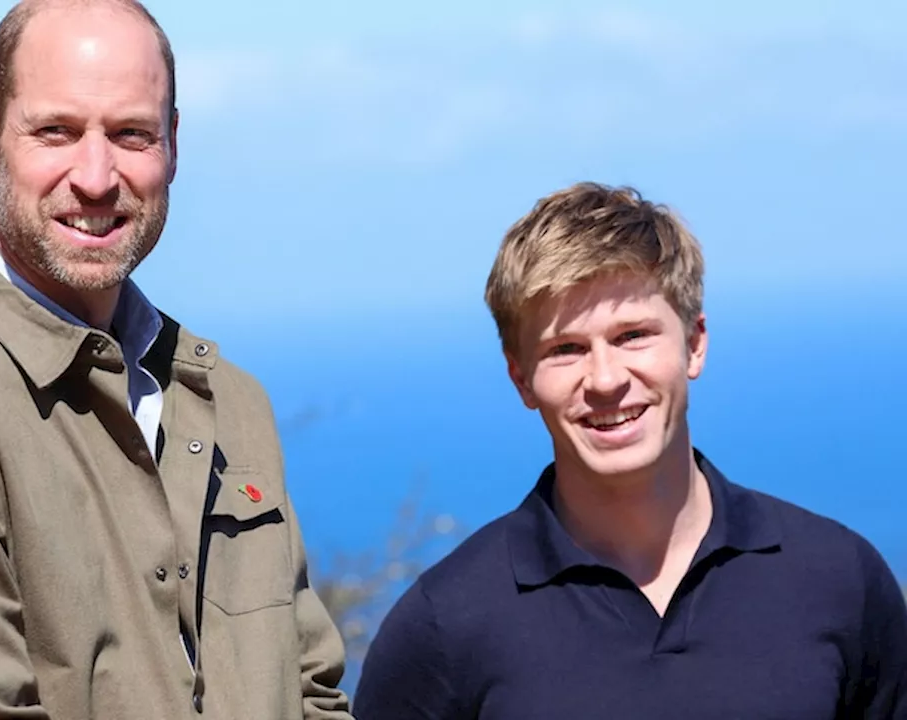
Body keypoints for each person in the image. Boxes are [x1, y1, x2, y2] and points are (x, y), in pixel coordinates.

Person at [0, 1, 353, 717]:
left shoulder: (229, 403)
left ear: (173, 145)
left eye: (131, 134)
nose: (95, 176)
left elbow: (311, 695)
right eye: (57, 131)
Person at [352, 182, 907, 719]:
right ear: (520, 378)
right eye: (565, 349)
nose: (605, 379)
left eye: (632, 336)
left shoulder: (837, 579)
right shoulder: (447, 624)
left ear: (694, 344)